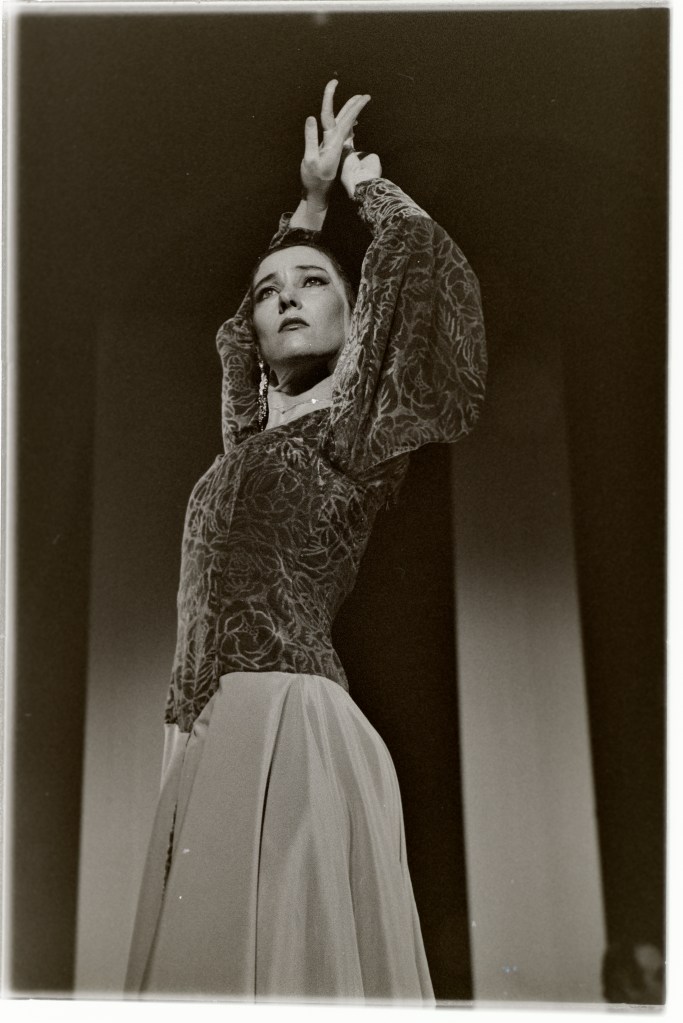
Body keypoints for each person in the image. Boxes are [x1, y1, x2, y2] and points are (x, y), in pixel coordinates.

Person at [125, 80, 486, 1003]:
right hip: (204, 727)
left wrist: (359, 188)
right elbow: (233, 340)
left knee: (290, 965)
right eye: (268, 293)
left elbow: (418, 271)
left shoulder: (354, 427)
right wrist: (306, 206)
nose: (285, 299)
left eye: (314, 283)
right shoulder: (247, 435)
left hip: (290, 718)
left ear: (356, 318)